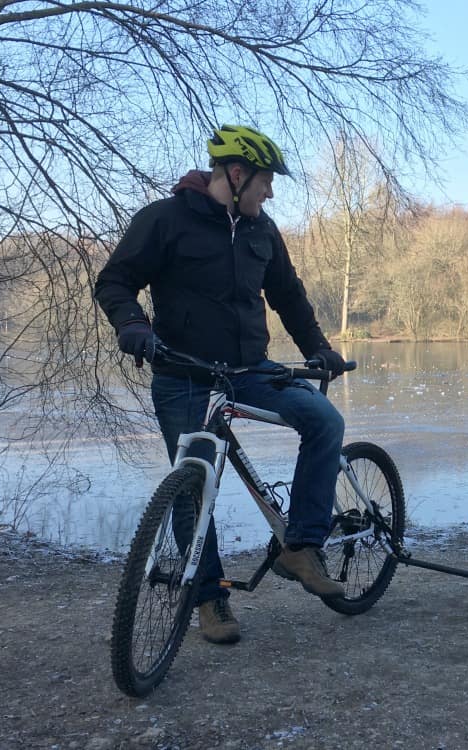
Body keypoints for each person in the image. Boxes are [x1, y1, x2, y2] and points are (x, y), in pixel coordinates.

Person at [94, 124, 348, 645]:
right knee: (193, 484)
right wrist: (134, 326)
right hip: (182, 373)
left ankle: (300, 545)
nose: (271, 192)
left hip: (247, 371)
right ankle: (207, 597)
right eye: (265, 182)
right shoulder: (165, 220)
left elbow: (289, 297)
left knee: (324, 420)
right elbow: (114, 281)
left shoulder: (262, 231)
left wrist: (317, 349)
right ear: (236, 174)